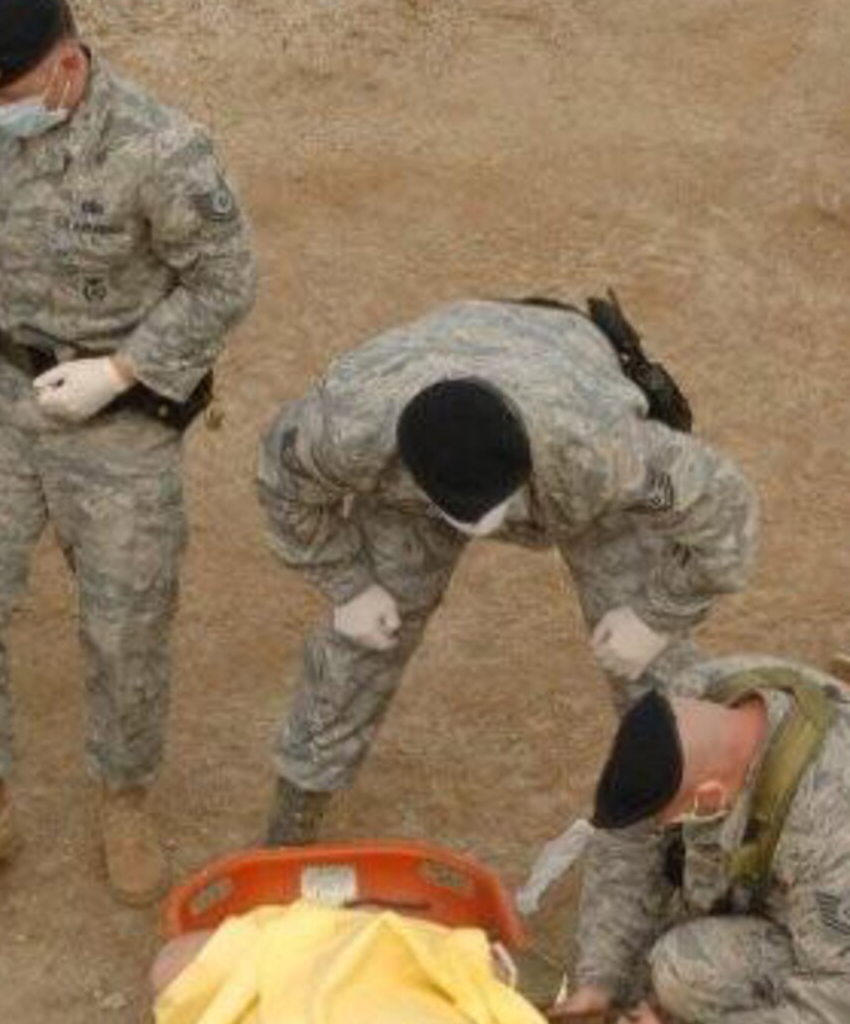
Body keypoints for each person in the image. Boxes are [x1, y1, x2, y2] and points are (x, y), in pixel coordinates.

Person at [0, 0, 257, 906]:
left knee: (125, 623)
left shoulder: (161, 149)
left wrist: (123, 372)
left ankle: (124, 795)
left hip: (116, 420)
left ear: (67, 68)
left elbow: (225, 283)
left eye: (12, 98)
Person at [255, 297, 758, 843]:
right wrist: (348, 585)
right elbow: (283, 487)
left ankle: (698, 818)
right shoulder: (348, 425)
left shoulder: (604, 450)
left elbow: (727, 511)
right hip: (418, 453)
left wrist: (656, 616)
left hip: (565, 413)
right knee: (361, 641)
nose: (482, 529)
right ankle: (297, 811)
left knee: (656, 662)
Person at [556, 657, 850, 1024]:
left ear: (711, 793)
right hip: (795, 885)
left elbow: (836, 998)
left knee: (685, 968)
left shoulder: (831, 825)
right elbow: (625, 839)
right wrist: (599, 977)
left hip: (840, 955)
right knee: (657, 970)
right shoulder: (692, 700)